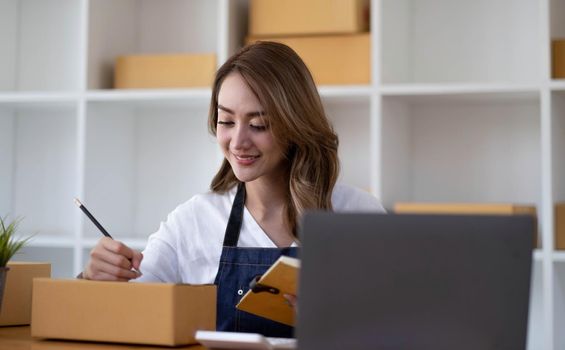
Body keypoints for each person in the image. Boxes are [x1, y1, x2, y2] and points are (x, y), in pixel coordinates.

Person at [82, 41, 385, 337]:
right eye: (226, 121)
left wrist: (339, 323)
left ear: (295, 124)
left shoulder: (358, 215)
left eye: (259, 125)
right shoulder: (193, 221)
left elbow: (406, 328)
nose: (238, 142)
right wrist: (94, 278)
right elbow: (126, 313)